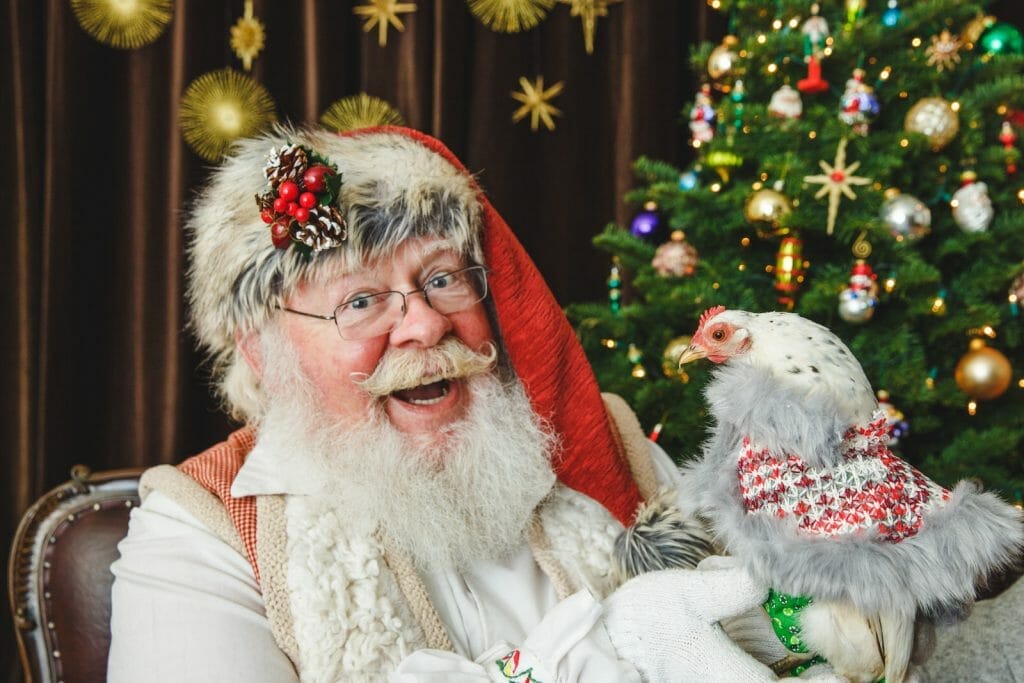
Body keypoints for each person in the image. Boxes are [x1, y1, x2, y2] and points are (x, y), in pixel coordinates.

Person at [107, 125, 1021, 682]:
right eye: (360, 300)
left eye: (441, 278)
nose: (424, 326)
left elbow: (771, 626)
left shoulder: (602, 441)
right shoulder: (197, 533)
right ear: (262, 349)